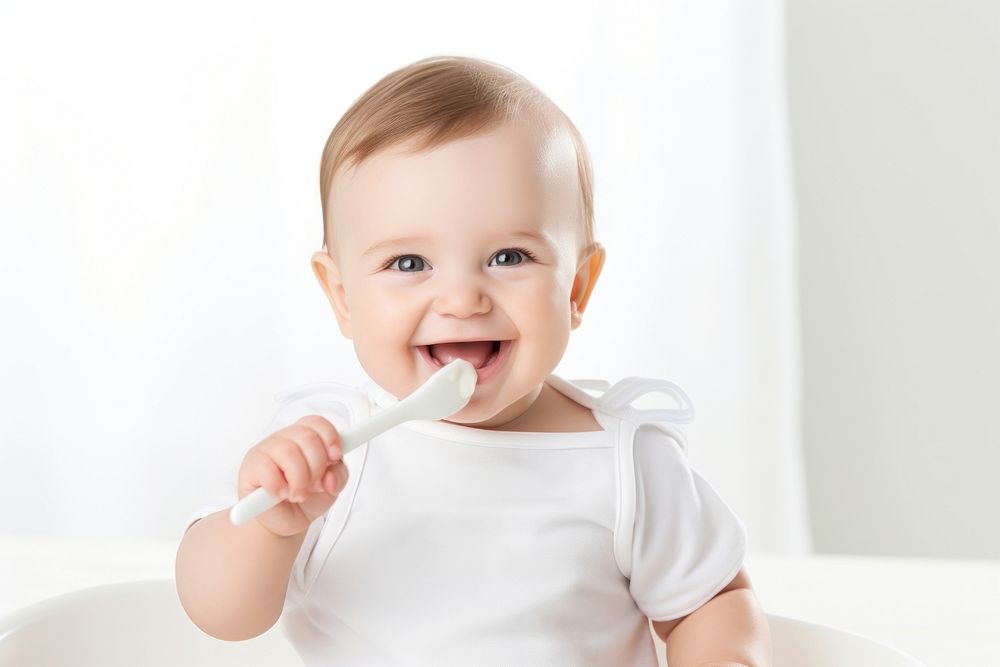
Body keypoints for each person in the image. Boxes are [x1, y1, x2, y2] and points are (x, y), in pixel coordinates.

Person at [175, 55, 772, 666]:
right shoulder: (326, 452)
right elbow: (220, 614)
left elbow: (710, 600)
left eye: (509, 257)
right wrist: (273, 528)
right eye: (409, 264)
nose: (462, 300)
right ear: (343, 298)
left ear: (576, 290)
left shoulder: (625, 462)